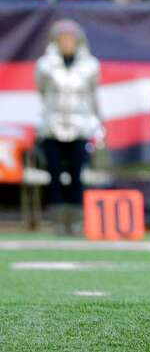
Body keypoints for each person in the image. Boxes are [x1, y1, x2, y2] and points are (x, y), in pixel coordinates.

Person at [35, 19, 104, 235]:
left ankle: (75, 220)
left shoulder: (90, 64)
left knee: (77, 174)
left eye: (70, 38)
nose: (66, 42)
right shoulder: (45, 64)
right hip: (53, 126)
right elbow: (42, 91)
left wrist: (97, 125)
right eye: (62, 38)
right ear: (55, 41)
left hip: (80, 126)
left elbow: (93, 97)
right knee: (54, 174)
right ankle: (57, 220)